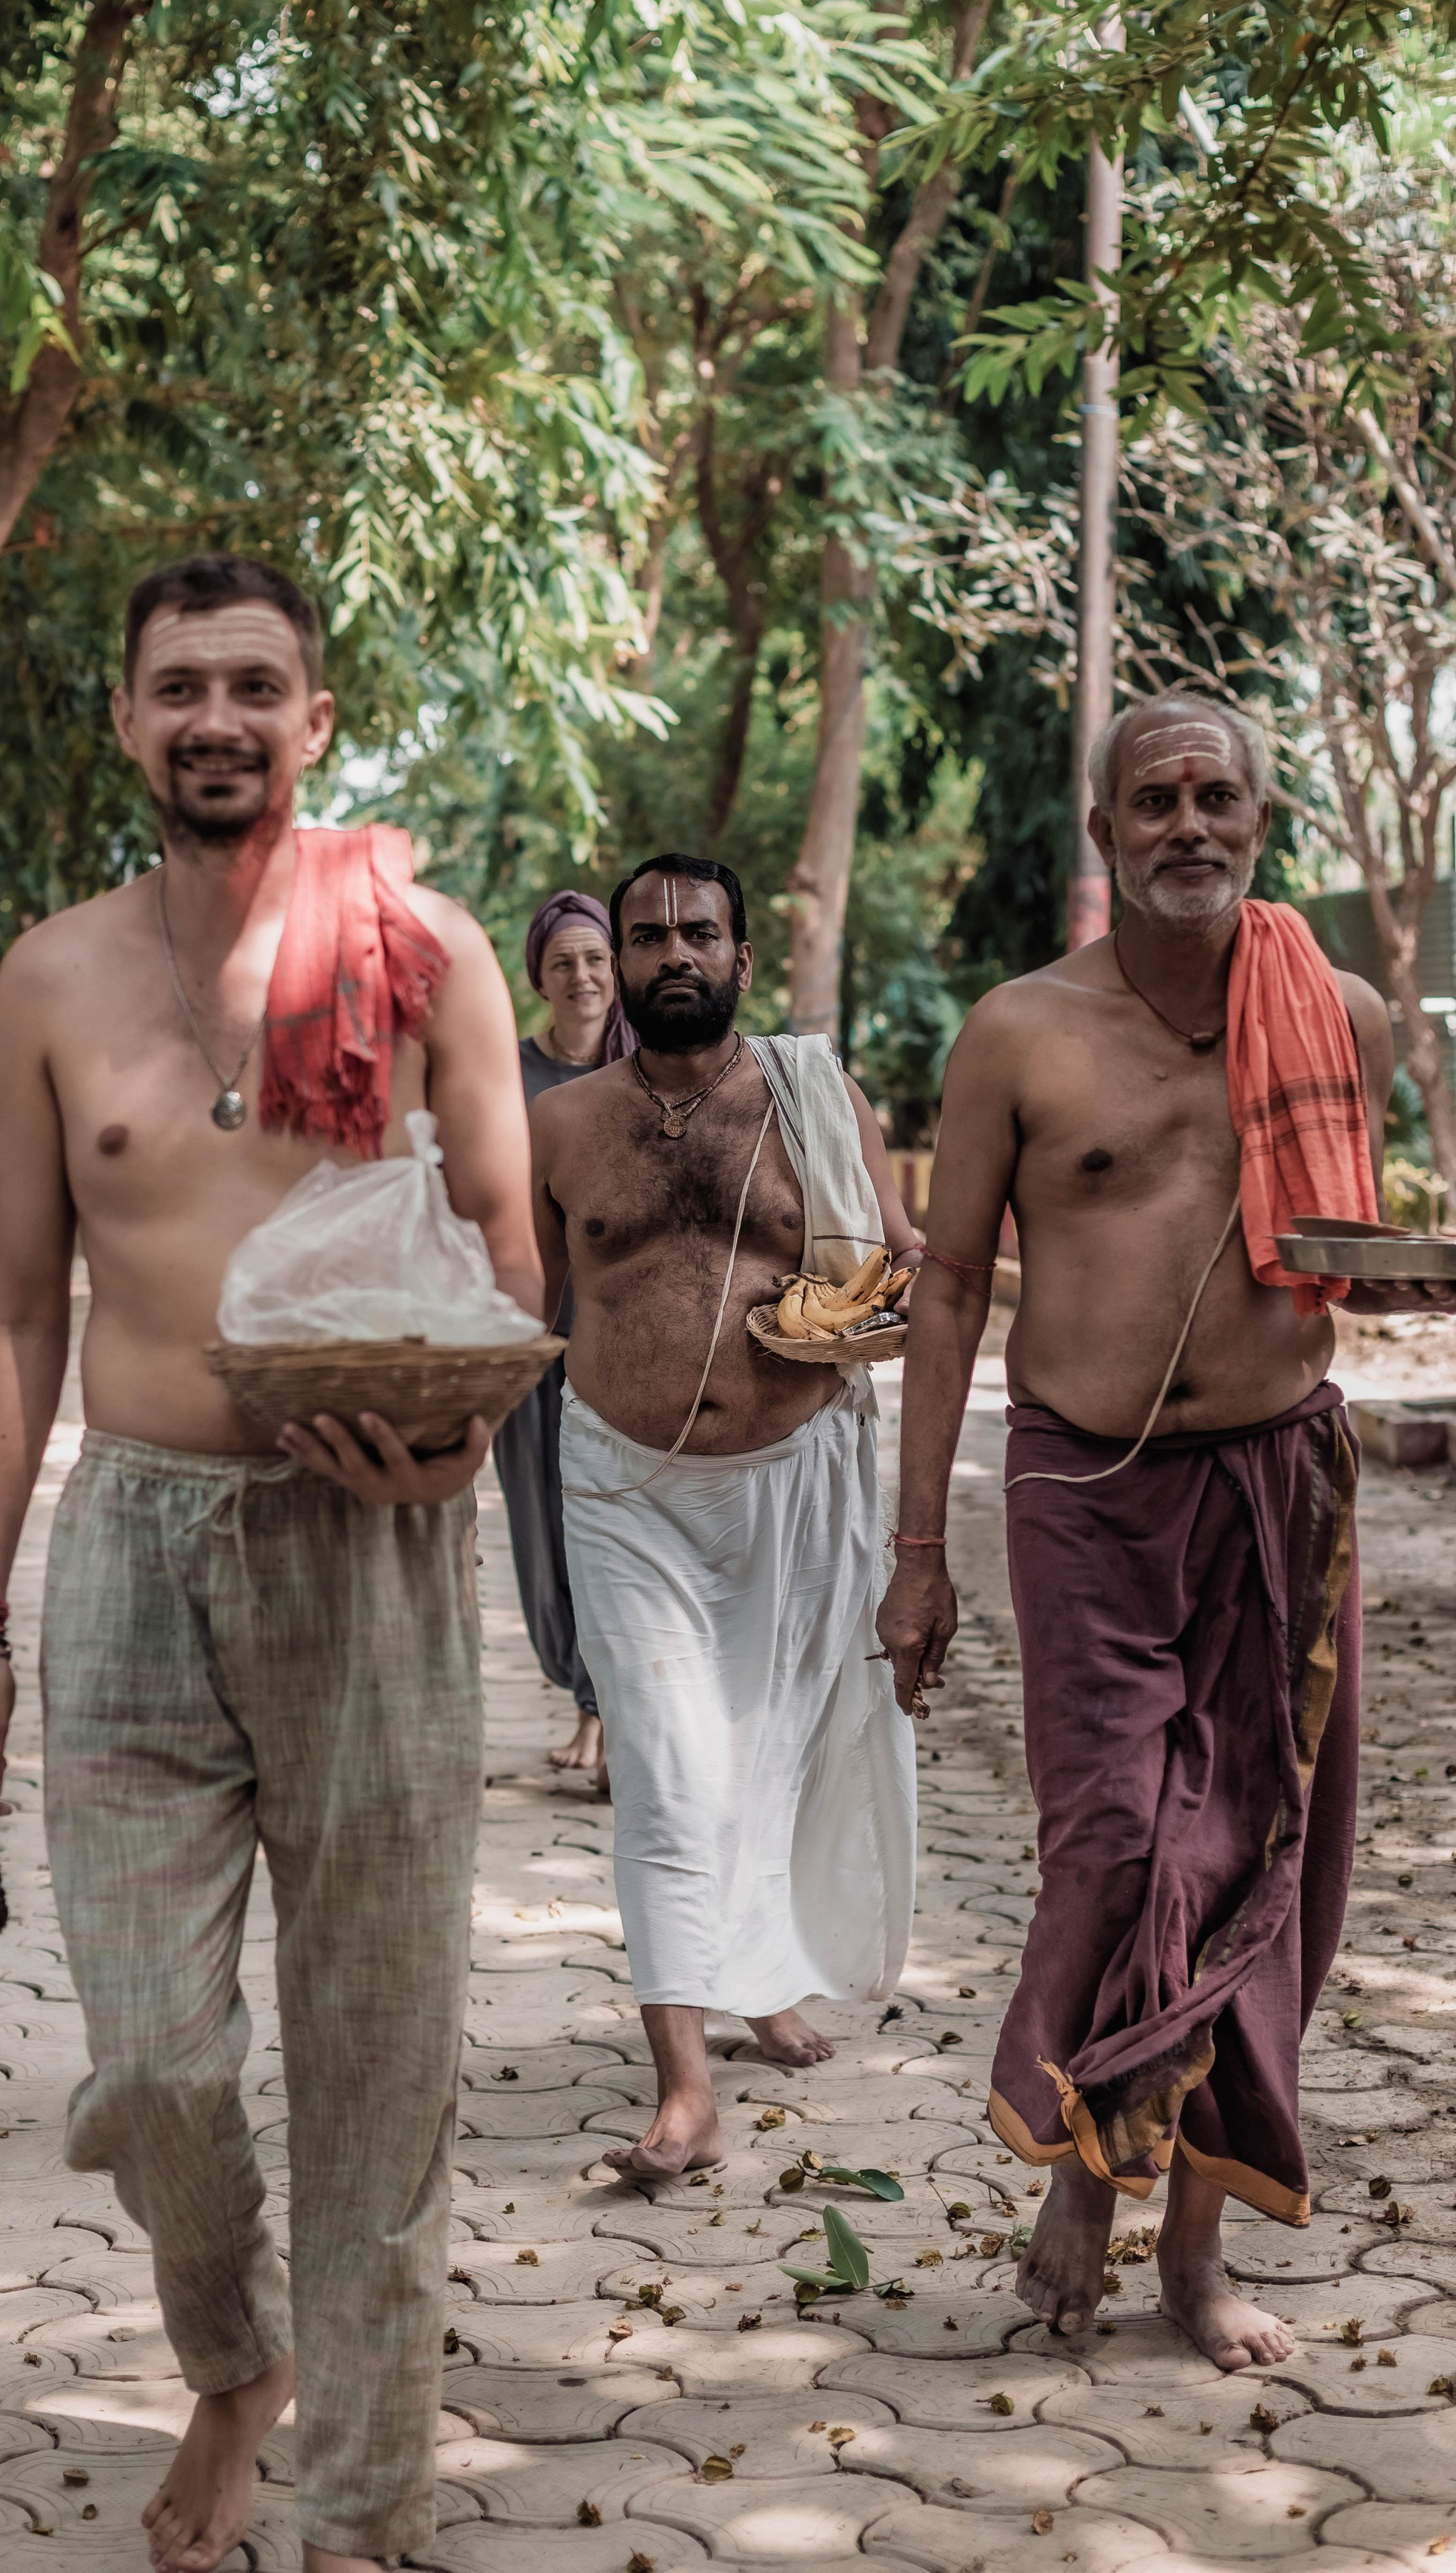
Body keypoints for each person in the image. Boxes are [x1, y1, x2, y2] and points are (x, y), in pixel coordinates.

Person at [0, 554, 540, 2573]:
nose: (215, 719)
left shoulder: (431, 955)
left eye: (253, 688)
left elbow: (514, 1274)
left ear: (315, 724)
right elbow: (19, 1310)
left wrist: (444, 1450)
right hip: (131, 1551)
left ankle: (366, 2508)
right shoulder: (48, 975)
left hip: (370, 1551)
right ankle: (234, 2351)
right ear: (127, 720)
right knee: (157, 2065)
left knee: (375, 2068)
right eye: (177, 684)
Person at [876, 693, 1456, 2373]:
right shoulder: (1015, 1032)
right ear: (1101, 833)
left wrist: (1424, 1269)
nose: (1186, 825)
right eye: (1153, 800)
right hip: (1082, 1489)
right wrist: (913, 1549)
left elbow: (1339, 1246)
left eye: (1216, 796)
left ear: (1259, 820)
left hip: (1282, 1477)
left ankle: (1188, 2251)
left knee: (1267, 1869)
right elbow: (936, 1291)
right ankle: (1085, 2145)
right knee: (1121, 1845)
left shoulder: (1334, 1011)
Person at [529, 852, 922, 2178]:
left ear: (743, 958)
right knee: (667, 1768)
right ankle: (683, 2088)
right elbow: (513, 1313)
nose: (672, 954)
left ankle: (759, 1978)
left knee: (773, 1753)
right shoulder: (566, 1125)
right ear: (622, 962)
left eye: (700, 933)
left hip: (797, 1471)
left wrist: (877, 1314)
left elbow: (901, 1265)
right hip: (624, 1483)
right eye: (649, 937)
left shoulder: (812, 1093)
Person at [491, 890, 635, 1781]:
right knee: (544, 1533)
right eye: (562, 962)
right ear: (538, 977)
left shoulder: (653, 1066)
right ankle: (588, 1698)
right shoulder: (505, 1077)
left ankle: (611, 1713)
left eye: (595, 957)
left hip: (626, 1348)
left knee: (618, 1531)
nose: (581, 976)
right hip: (534, 1344)